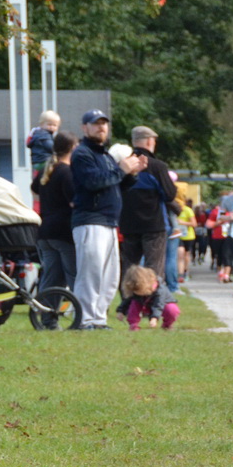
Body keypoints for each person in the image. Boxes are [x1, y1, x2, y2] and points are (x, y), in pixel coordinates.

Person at [69, 110, 145, 329]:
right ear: (85, 128)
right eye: (95, 124)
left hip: (109, 222)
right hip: (90, 220)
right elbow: (94, 182)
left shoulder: (105, 156)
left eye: (104, 124)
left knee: (110, 277)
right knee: (90, 273)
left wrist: (131, 174)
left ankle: (99, 318)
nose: (101, 128)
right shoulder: (82, 154)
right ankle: (85, 318)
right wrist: (121, 169)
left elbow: (116, 185)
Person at [118, 127, 178, 296]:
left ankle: (127, 302)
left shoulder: (123, 164)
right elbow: (170, 194)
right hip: (154, 224)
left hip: (128, 223)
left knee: (130, 266)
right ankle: (153, 303)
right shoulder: (157, 166)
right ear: (150, 141)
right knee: (154, 268)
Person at [31, 130, 78, 292]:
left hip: (45, 232)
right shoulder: (67, 172)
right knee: (74, 275)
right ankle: (82, 314)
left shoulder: (47, 169)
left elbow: (34, 190)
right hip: (64, 232)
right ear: (72, 148)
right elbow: (74, 202)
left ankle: (46, 314)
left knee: (51, 278)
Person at [118, 263, 181, 331]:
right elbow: (127, 300)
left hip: (162, 304)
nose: (137, 293)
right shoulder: (136, 291)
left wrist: (154, 318)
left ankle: (167, 325)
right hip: (144, 303)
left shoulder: (159, 289)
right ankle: (133, 325)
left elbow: (158, 304)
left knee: (172, 310)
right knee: (134, 304)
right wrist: (121, 311)